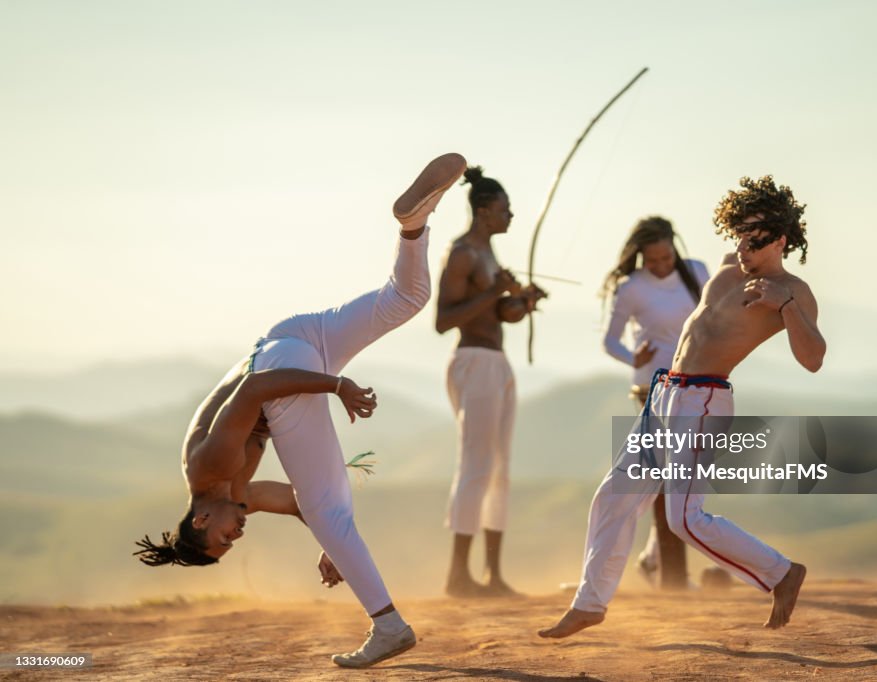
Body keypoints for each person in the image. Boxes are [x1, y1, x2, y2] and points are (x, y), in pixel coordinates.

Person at [133, 152, 468, 668]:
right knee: (406, 298)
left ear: (200, 517)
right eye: (232, 545)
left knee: (330, 511)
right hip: (294, 337)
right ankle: (413, 225)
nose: (236, 535)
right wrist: (331, 545)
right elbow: (297, 503)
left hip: (279, 369)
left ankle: (389, 626)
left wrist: (336, 385)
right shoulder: (236, 496)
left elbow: (253, 391)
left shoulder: (209, 467)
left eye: (223, 538)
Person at [540, 175, 825, 638]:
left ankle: (782, 573)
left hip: (705, 399)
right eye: (740, 233)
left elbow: (813, 359)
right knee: (613, 496)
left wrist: (787, 304)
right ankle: (589, 603)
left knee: (684, 520)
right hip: (664, 394)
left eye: (755, 238)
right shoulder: (729, 265)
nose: (743, 245)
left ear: (780, 239)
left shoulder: (791, 288)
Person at [435, 166, 546, 598]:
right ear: (484, 212)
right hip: (473, 362)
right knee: (476, 465)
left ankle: (492, 575)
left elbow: (499, 314)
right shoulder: (461, 253)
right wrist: (496, 293)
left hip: (496, 363)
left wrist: (522, 301)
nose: (511, 216)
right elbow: (445, 320)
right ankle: (458, 576)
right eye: (505, 210)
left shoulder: (488, 256)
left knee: (499, 468)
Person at [602, 216, 710, 590]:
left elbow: (711, 320)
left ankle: (653, 560)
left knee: (687, 477)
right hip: (652, 390)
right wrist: (632, 357)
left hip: (695, 384)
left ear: (674, 247)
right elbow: (610, 341)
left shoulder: (696, 272)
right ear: (641, 256)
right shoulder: (630, 287)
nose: (662, 266)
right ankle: (674, 579)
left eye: (666, 257)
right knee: (670, 480)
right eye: (653, 261)